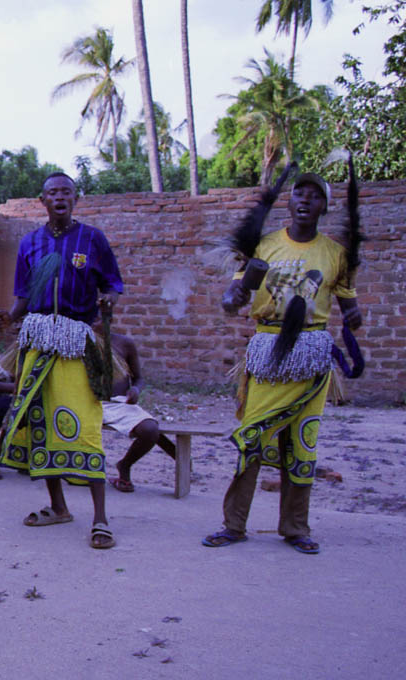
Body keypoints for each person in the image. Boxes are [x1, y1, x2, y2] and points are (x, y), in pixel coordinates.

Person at [204, 172, 362, 555]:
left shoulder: (335, 254)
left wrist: (356, 318)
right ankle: (234, 524)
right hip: (268, 350)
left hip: (310, 354)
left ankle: (295, 527)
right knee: (252, 439)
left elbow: (349, 306)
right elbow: (232, 298)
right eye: (299, 193)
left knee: (302, 443)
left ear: (324, 206)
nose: (305, 200)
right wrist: (235, 296)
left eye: (315, 196)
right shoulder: (264, 245)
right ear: (289, 202)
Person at [0, 172, 122, 549]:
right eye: (52, 193)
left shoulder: (92, 239)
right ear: (42, 201)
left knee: (85, 426)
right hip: (36, 342)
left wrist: (110, 301)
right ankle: (59, 507)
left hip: (75, 341)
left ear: (75, 198)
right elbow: (20, 299)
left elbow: (112, 283)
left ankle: (100, 518)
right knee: (40, 424)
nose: (59, 197)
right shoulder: (30, 243)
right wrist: (3, 316)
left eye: (66, 191)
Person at [100, 329, 177, 493]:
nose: (99, 319)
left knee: (150, 430)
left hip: (118, 404)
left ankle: (125, 465)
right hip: (85, 402)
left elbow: (139, 378)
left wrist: (135, 390)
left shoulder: (123, 343)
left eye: (105, 314)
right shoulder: (76, 341)